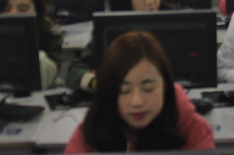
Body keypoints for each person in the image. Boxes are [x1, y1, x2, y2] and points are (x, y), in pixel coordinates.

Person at [64, 31, 214, 153]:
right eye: (124, 90)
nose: (137, 102)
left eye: (148, 89)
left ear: (165, 86)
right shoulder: (92, 130)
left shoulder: (189, 127)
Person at [66, 0, 171, 92]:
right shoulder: (110, 30)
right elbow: (74, 71)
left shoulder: (174, 22)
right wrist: (96, 83)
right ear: (125, 1)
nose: (150, 1)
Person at [0, 0, 63, 89]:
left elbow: (44, 80)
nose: (13, 14)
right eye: (6, 8)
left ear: (37, 9)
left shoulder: (49, 34)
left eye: (23, 8)